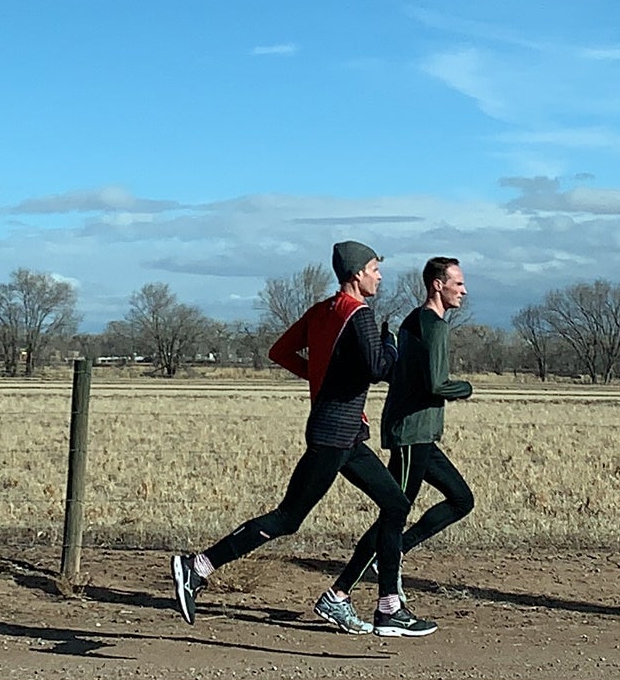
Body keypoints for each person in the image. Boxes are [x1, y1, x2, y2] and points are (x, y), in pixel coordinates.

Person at [169, 241, 437, 637]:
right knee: (288, 518)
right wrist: (392, 346)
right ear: (357, 273)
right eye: (376, 269)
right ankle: (197, 567)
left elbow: (281, 351)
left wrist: (321, 377)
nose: (380, 276)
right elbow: (380, 368)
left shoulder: (322, 311)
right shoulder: (359, 314)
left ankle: (387, 607)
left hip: (345, 434)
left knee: (395, 504)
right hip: (333, 437)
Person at [331, 256, 474, 611]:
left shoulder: (413, 320)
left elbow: (398, 375)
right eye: (458, 283)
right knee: (393, 513)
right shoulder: (434, 326)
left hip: (418, 433)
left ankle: (396, 550)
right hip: (412, 434)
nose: (464, 290)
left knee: (461, 499)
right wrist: (466, 388)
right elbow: (437, 383)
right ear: (437, 285)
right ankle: (340, 592)